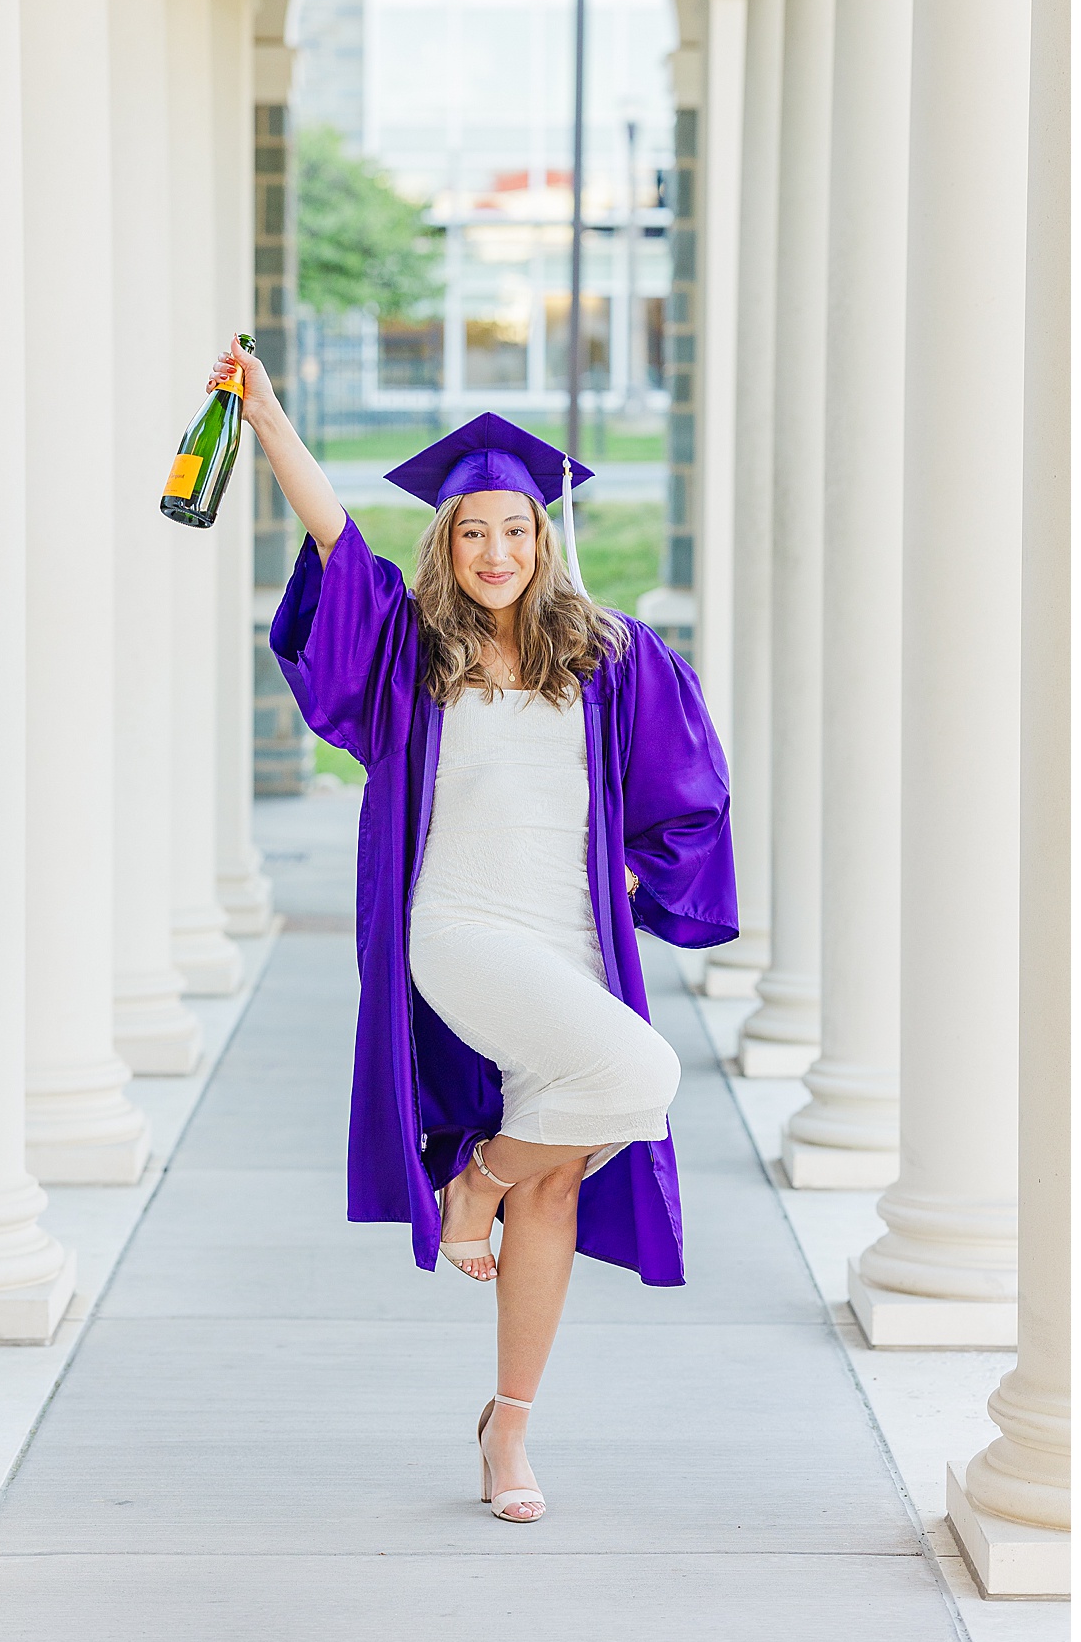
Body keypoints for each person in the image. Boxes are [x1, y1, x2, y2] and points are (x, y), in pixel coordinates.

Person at [211, 336, 737, 1525]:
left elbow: (686, 791)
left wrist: (642, 892)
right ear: (444, 544)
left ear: (545, 537)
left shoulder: (611, 658)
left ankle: (509, 1429)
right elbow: (336, 541)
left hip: (571, 944)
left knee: (554, 1188)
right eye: (471, 531)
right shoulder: (415, 653)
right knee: (643, 1073)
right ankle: (475, 1179)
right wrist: (272, 422)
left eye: (515, 529)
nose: (495, 551)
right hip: (457, 930)